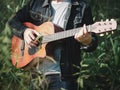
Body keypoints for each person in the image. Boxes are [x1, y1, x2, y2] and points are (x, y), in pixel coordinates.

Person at [9, 0, 98, 90]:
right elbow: (13, 21)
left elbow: (92, 43)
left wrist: (87, 40)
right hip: (37, 76)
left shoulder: (81, 7)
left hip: (64, 78)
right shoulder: (36, 4)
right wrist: (25, 31)